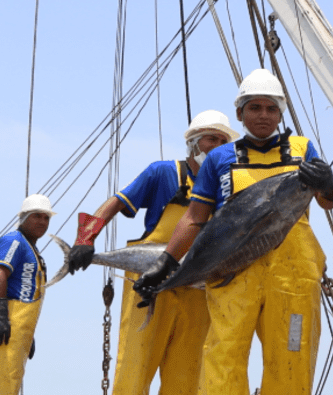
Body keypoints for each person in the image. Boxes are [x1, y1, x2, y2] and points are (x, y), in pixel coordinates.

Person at [134, 69, 333, 395]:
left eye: (270, 108)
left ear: (280, 113)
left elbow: (327, 202)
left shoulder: (303, 149)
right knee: (223, 356)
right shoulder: (219, 158)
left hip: (294, 278)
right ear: (240, 113)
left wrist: (328, 184)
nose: (263, 115)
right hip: (232, 276)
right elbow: (194, 217)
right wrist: (166, 262)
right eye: (254, 107)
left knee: (292, 358)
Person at [67, 110, 237, 395]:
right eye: (211, 138)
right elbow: (117, 202)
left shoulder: (226, 186)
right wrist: (86, 237)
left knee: (187, 378)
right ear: (194, 142)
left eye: (224, 140)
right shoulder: (163, 172)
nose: (218, 145)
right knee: (135, 368)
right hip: (150, 287)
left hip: (197, 292)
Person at [0, 194, 55, 395]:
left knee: (9, 382)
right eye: (37, 216)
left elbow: (25, 292)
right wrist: (0, 316)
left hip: (17, 331)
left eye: (46, 218)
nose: (42, 222)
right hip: (4, 327)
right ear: (24, 217)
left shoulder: (32, 250)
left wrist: (27, 333)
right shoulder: (14, 241)